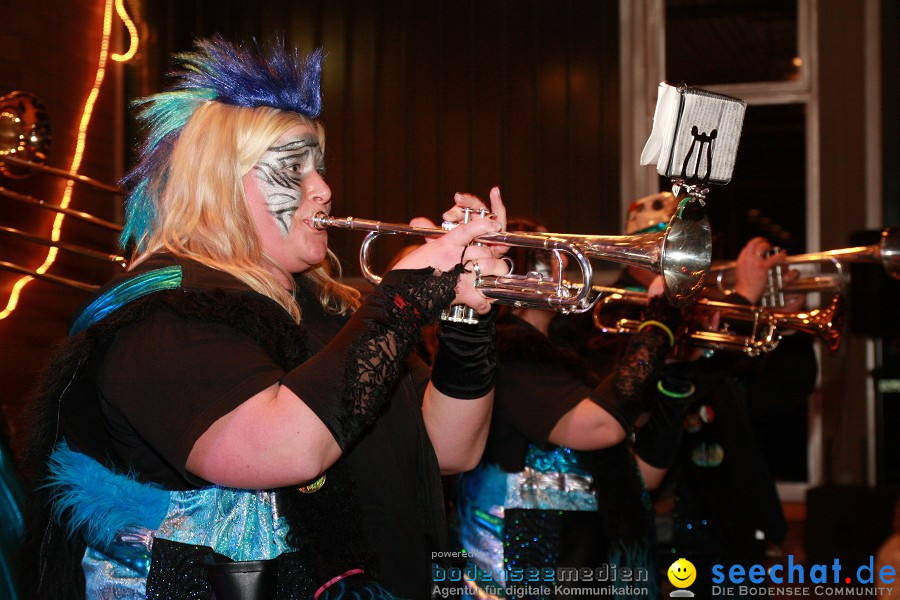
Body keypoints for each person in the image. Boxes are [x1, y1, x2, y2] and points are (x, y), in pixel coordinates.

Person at [19, 35, 510, 599]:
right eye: (292, 169)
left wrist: (464, 320)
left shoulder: (326, 311)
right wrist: (402, 298)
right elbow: (285, 449)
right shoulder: (160, 316)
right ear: (220, 186)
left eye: (319, 165)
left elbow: (449, 451)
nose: (322, 188)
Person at [569, 192, 817, 599]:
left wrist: (787, 323)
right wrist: (743, 300)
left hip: (728, 523)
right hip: (659, 531)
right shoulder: (607, 314)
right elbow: (634, 397)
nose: (681, 260)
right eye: (664, 245)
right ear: (634, 253)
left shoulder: (707, 310)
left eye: (689, 248)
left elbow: (781, 394)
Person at [453, 216, 697, 600]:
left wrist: (676, 384)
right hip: (524, 573)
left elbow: (645, 475)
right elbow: (600, 427)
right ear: (524, 275)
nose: (568, 270)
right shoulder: (506, 357)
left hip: (584, 569)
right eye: (554, 261)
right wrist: (658, 326)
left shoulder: (564, 360)